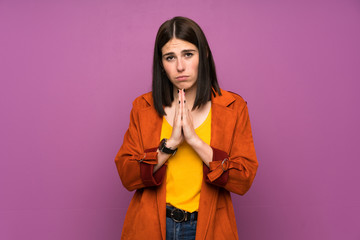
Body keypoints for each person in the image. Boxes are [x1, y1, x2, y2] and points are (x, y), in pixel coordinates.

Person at [115, 16, 258, 240]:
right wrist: (170, 145)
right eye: (170, 57)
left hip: (208, 227)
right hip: (152, 225)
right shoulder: (143, 107)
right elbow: (127, 174)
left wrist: (194, 141)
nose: (180, 66)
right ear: (161, 64)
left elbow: (243, 179)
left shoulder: (233, 107)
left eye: (188, 54)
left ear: (205, 55)